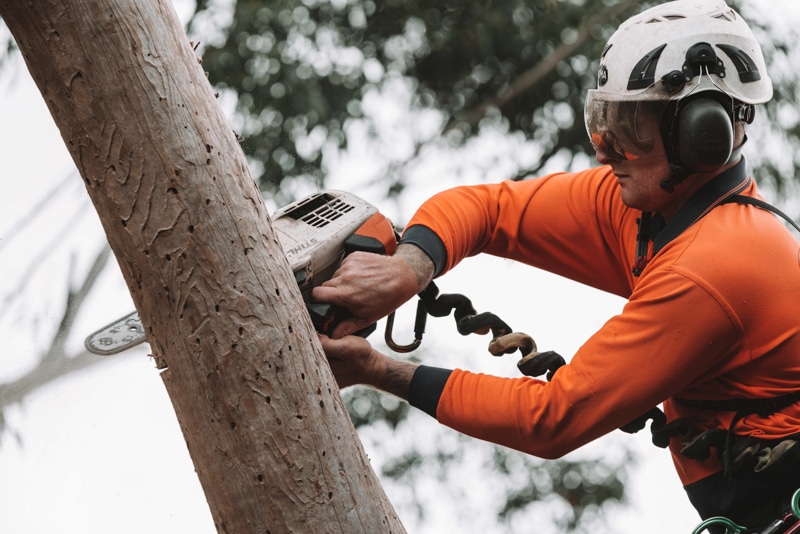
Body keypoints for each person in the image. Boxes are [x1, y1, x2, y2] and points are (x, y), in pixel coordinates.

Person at [312, 0, 800, 529]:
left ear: (703, 134)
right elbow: (487, 209)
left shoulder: (714, 265)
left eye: (631, 126)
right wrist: (408, 268)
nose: (605, 150)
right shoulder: (647, 206)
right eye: (605, 120)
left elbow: (550, 420)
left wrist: (380, 371)